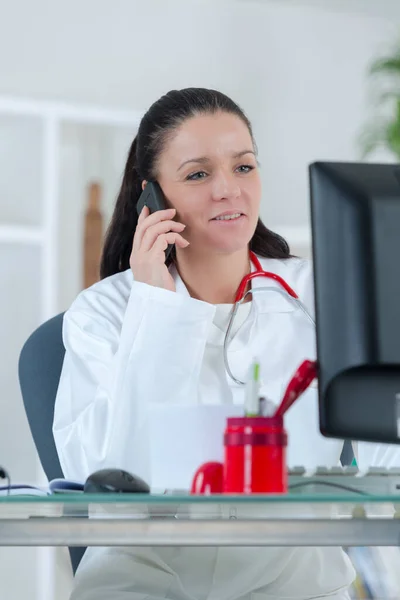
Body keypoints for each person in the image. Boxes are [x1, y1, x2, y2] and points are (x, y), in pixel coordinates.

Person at [53, 88, 399, 600]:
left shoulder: (319, 293)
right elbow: (98, 475)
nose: (228, 190)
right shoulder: (104, 312)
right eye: (198, 174)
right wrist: (156, 308)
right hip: (145, 576)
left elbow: (384, 445)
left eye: (243, 167)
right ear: (152, 197)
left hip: (293, 577)